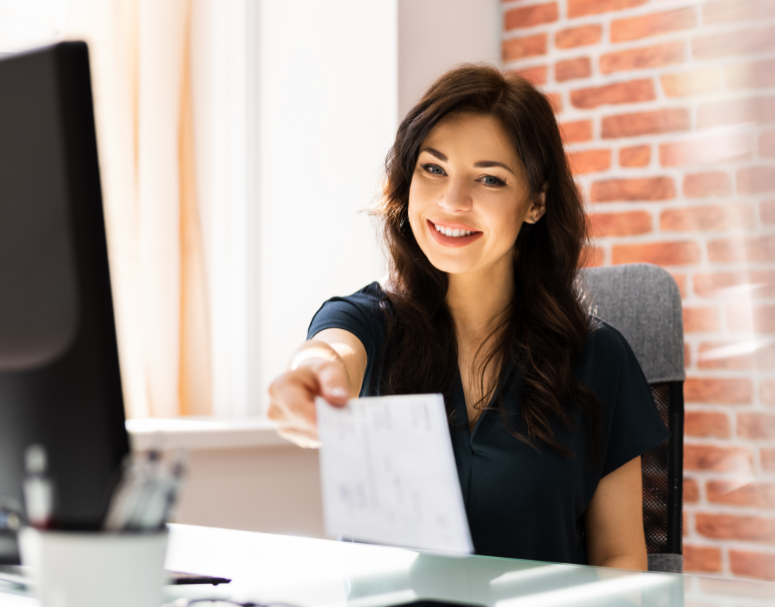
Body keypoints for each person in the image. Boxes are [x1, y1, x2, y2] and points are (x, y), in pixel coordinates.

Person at [267, 64, 669, 570]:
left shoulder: (598, 357)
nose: (452, 202)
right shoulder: (368, 321)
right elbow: (332, 351)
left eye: (489, 179)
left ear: (536, 202)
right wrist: (310, 375)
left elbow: (620, 555)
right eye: (433, 169)